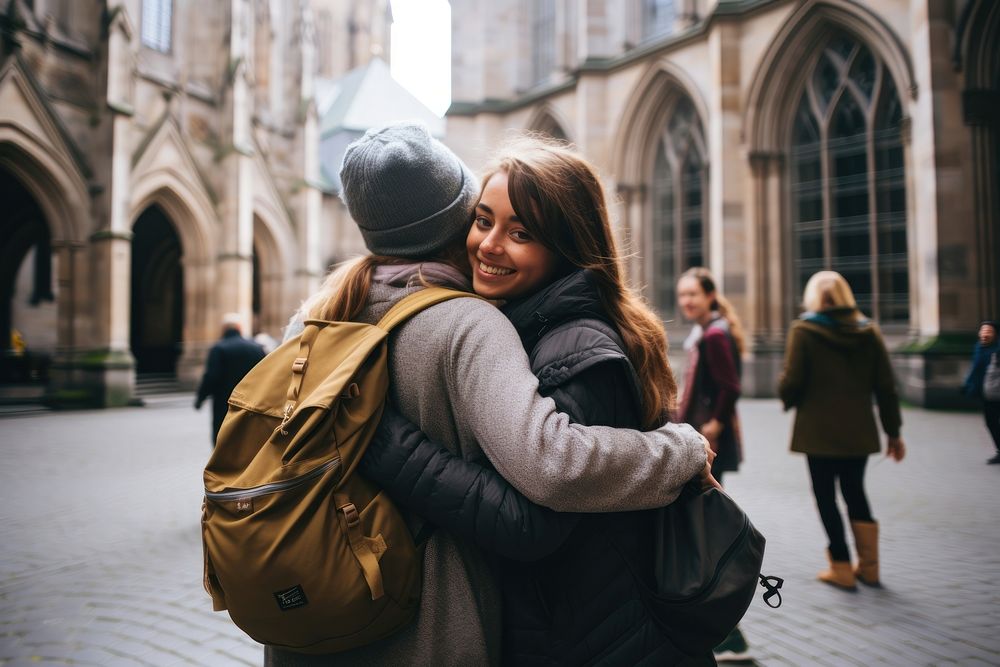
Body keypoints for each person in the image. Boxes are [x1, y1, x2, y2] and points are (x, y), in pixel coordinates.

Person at [265, 122, 711, 666]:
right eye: (481, 219)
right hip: (429, 622)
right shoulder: (473, 323)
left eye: (521, 232)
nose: (490, 244)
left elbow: (542, 484)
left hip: (316, 610)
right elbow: (549, 467)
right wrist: (679, 451)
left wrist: (378, 438)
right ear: (458, 216)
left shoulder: (314, 316)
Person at [778, 271, 905, 591]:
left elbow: (792, 382)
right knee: (855, 492)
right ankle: (871, 569)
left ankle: (842, 567)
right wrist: (894, 432)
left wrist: (786, 395)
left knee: (826, 497)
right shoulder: (869, 331)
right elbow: (886, 388)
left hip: (817, 432)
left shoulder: (804, 331)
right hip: (858, 433)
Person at [675, 267, 748, 661]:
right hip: (703, 438)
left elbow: (731, 386)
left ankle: (727, 624)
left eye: (693, 295)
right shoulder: (709, 330)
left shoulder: (715, 334)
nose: (687, 302)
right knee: (702, 528)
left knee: (704, 531)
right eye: (682, 295)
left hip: (708, 443)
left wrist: (714, 425)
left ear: (710, 295)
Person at [194, 313, 265, 445]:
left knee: (223, 435)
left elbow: (211, 376)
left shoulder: (219, 348)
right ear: (240, 327)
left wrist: (200, 398)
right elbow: (266, 375)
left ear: (224, 329)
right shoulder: (256, 348)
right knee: (246, 436)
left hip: (224, 401)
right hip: (250, 401)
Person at [962, 320, 1000, 463]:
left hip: (996, 392)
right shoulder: (979, 348)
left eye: (989, 331)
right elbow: (975, 370)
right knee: (991, 422)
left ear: (995, 334)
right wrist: (967, 384)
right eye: (983, 331)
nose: (985, 334)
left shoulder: (997, 350)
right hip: (987, 393)